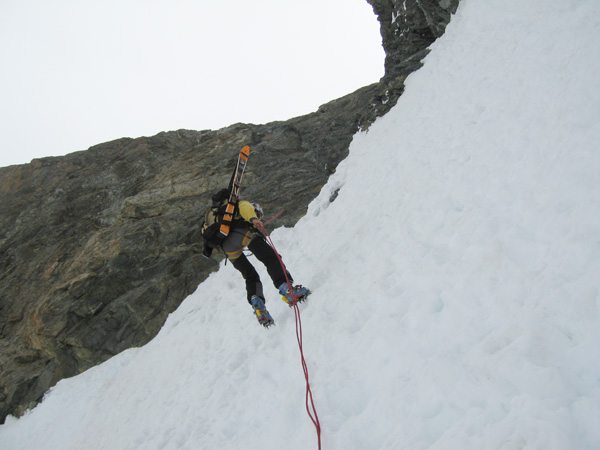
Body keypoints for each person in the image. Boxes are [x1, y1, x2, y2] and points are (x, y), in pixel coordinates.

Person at [203, 189, 310, 327]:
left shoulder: (212, 214)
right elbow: (245, 208)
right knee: (271, 258)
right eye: (258, 215)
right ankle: (287, 289)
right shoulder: (240, 204)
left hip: (228, 248)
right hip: (241, 234)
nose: (259, 217)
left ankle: (258, 305)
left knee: (250, 275)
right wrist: (253, 219)